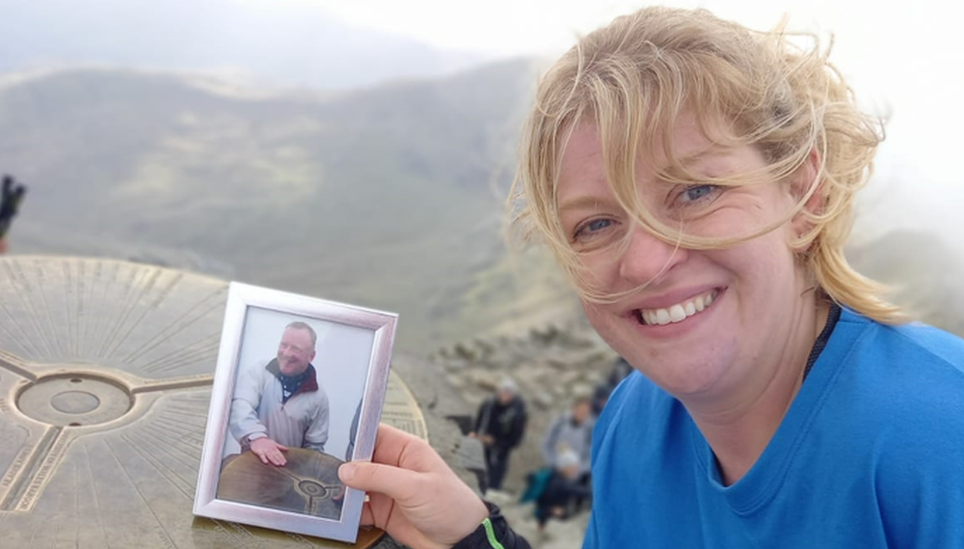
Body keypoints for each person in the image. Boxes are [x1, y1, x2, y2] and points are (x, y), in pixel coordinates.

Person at [337, 6, 964, 548]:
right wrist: (474, 540)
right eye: (596, 225)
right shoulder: (634, 423)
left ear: (804, 197)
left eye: (696, 190)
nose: (642, 261)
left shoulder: (940, 438)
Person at [228, 321, 329, 466]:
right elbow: (239, 403)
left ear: (311, 356)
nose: (286, 353)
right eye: (284, 345)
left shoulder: (319, 397)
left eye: (295, 349)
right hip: (250, 467)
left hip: (289, 476)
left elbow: (314, 448)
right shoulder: (259, 372)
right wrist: (257, 438)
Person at [468, 377, 528, 491]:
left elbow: (516, 439)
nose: (505, 396)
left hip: (500, 454)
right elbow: (479, 422)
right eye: (503, 392)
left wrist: (495, 441)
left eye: (508, 393)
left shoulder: (517, 413)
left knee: (493, 482)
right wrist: (475, 433)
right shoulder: (488, 405)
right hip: (481, 446)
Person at [539, 396, 594, 480]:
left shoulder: (589, 431)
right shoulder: (560, 422)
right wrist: (554, 464)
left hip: (575, 477)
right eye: (580, 410)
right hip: (554, 470)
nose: (582, 413)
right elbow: (547, 443)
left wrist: (577, 470)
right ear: (574, 408)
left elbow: (591, 457)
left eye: (585, 412)